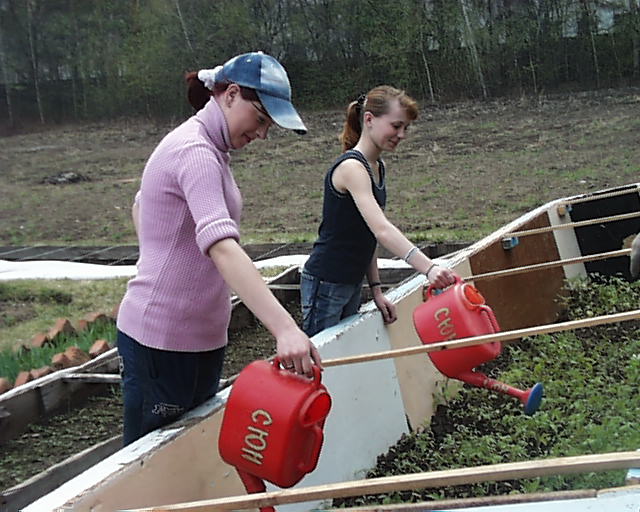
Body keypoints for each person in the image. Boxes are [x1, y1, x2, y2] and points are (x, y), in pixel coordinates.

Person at [116, 52, 321, 446]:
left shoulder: (212, 151)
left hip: (201, 338)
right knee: (152, 467)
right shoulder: (194, 150)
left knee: (191, 452)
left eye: (269, 126)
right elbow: (222, 247)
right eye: (260, 119)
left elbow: (142, 204)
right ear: (230, 94)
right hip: (161, 343)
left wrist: (161, 257)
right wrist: (285, 328)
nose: (262, 134)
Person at [301, 86, 458, 337]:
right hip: (327, 282)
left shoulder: (377, 166)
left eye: (405, 128)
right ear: (369, 120)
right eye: (396, 126)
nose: (401, 134)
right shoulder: (352, 167)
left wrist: (376, 289)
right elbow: (382, 230)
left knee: (346, 350)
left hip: (352, 281)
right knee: (322, 354)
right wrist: (428, 268)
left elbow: (368, 236)